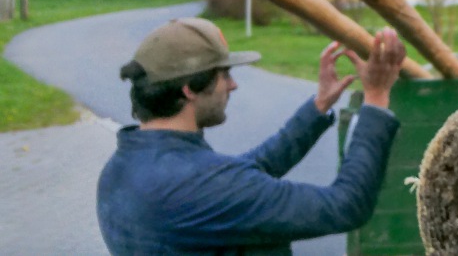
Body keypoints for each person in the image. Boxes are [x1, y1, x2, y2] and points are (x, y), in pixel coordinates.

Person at [96, 16, 406, 255]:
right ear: (190, 88)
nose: (233, 85)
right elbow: (345, 206)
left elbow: (247, 170)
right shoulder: (210, 187)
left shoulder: (120, 170)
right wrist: (376, 99)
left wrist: (320, 105)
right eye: (224, 74)